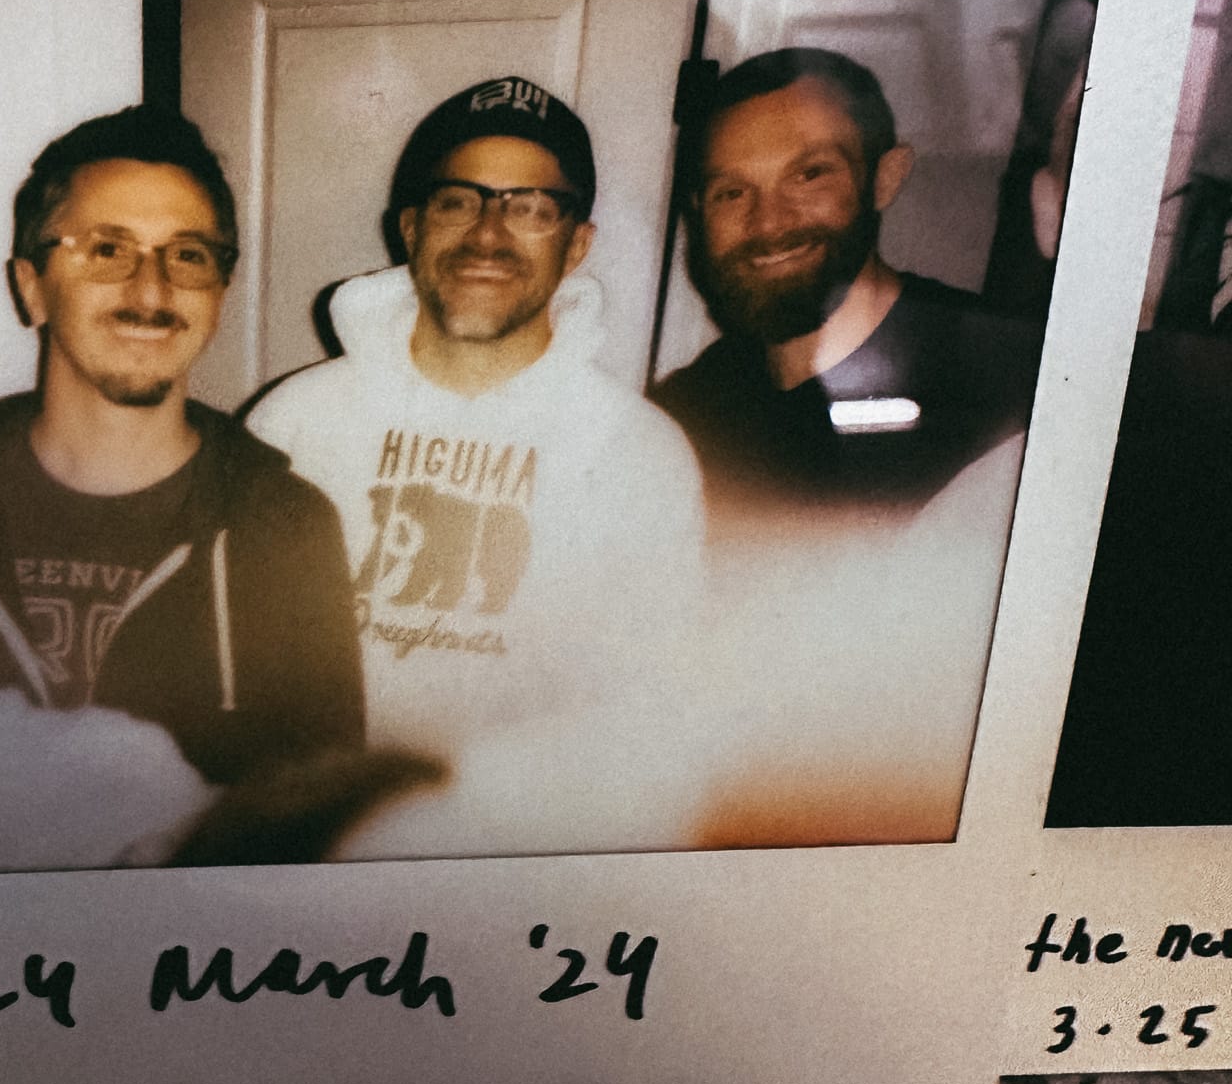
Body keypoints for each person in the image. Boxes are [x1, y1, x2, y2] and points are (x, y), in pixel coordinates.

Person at [0, 105, 373, 870]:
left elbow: (312, 838)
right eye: (108, 249)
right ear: (32, 288)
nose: (151, 288)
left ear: (218, 294)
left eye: (188, 255)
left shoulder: (284, 527)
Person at [247, 76, 710, 854]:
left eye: (531, 207)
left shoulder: (641, 454)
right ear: (411, 228)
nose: (488, 233)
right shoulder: (290, 422)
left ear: (577, 244)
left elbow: (651, 720)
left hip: (521, 869)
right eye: (458, 201)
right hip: (315, 850)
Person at [655, 48, 1042, 519]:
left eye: (809, 175)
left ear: (884, 179)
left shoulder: (1009, 389)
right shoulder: (683, 416)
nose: (768, 223)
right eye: (732, 193)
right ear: (699, 212)